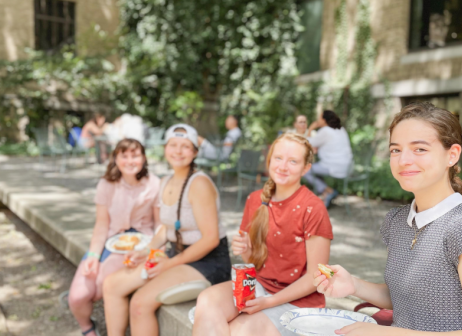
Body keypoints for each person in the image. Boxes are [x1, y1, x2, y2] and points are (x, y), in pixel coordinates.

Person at [313, 102, 462, 335]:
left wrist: (387, 333)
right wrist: (353, 285)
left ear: (452, 155)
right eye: (395, 150)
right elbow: (408, 301)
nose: (403, 160)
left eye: (419, 149)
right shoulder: (398, 221)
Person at [192, 133, 333, 336]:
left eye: (293, 161)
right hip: (259, 285)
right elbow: (253, 263)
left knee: (240, 330)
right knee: (206, 300)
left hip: (298, 301)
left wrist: (269, 302)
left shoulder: (314, 207)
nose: (283, 166)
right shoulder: (255, 199)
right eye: (278, 158)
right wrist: (247, 252)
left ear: (306, 168)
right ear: (269, 161)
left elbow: (316, 277)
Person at [102, 124, 231, 336]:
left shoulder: (199, 184)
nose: (178, 151)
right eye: (173, 145)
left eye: (185, 146)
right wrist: (146, 251)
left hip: (207, 261)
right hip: (177, 253)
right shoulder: (166, 181)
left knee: (139, 304)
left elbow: (210, 240)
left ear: (195, 152)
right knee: (111, 285)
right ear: (165, 148)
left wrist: (168, 264)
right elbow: (165, 227)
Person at [67, 138, 160, 336]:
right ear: (115, 159)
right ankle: (87, 328)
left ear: (143, 158)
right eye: (124, 156)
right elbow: (101, 225)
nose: (130, 161)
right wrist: (93, 254)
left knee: (98, 289)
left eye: (135, 155)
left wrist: (153, 249)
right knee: (77, 297)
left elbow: (160, 226)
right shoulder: (107, 184)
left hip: (140, 244)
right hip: (111, 241)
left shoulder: (154, 184)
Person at [303, 110, 353, 207]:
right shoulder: (340, 129)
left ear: (324, 120)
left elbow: (308, 142)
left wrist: (310, 129)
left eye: (320, 118)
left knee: (304, 170)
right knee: (314, 170)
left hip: (334, 166)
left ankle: (329, 191)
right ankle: (326, 193)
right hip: (347, 165)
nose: (317, 120)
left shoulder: (325, 131)